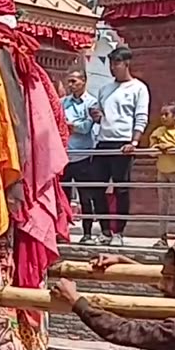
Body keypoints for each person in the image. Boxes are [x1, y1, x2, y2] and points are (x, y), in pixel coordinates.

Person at [92, 47, 150, 245]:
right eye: (111, 63)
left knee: (121, 188)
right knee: (97, 187)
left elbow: (140, 117)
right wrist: (97, 117)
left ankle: (119, 232)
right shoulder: (104, 89)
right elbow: (101, 114)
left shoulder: (138, 88)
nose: (113, 67)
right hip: (103, 141)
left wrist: (134, 141)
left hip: (123, 142)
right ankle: (105, 229)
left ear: (126, 64)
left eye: (117, 63)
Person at [63, 69, 101, 243]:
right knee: (62, 197)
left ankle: (87, 233)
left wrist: (70, 126)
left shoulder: (92, 102)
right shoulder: (62, 102)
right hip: (64, 155)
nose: (70, 85)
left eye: (74, 82)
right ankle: (62, 232)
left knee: (86, 197)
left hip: (84, 156)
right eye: (69, 82)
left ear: (84, 81)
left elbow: (86, 127)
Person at [148, 101, 175, 248]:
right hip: (162, 170)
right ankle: (162, 237)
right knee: (162, 205)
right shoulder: (158, 132)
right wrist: (158, 147)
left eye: (167, 114)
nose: (163, 117)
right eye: (162, 115)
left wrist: (171, 148)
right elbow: (150, 151)